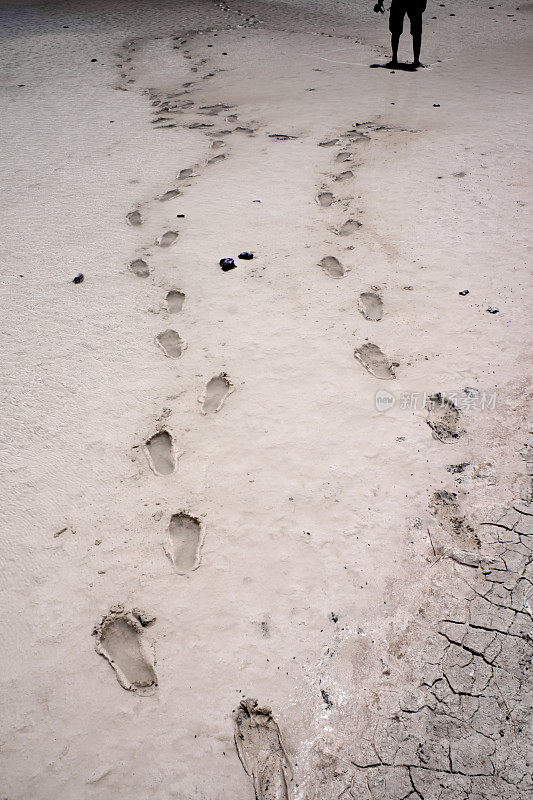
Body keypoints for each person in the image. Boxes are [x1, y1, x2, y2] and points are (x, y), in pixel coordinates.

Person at [374, 0, 427, 68]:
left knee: (396, 31)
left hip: (400, 2)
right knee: (416, 31)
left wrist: (380, 2)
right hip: (414, 3)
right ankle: (416, 61)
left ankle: (395, 59)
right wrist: (423, 5)